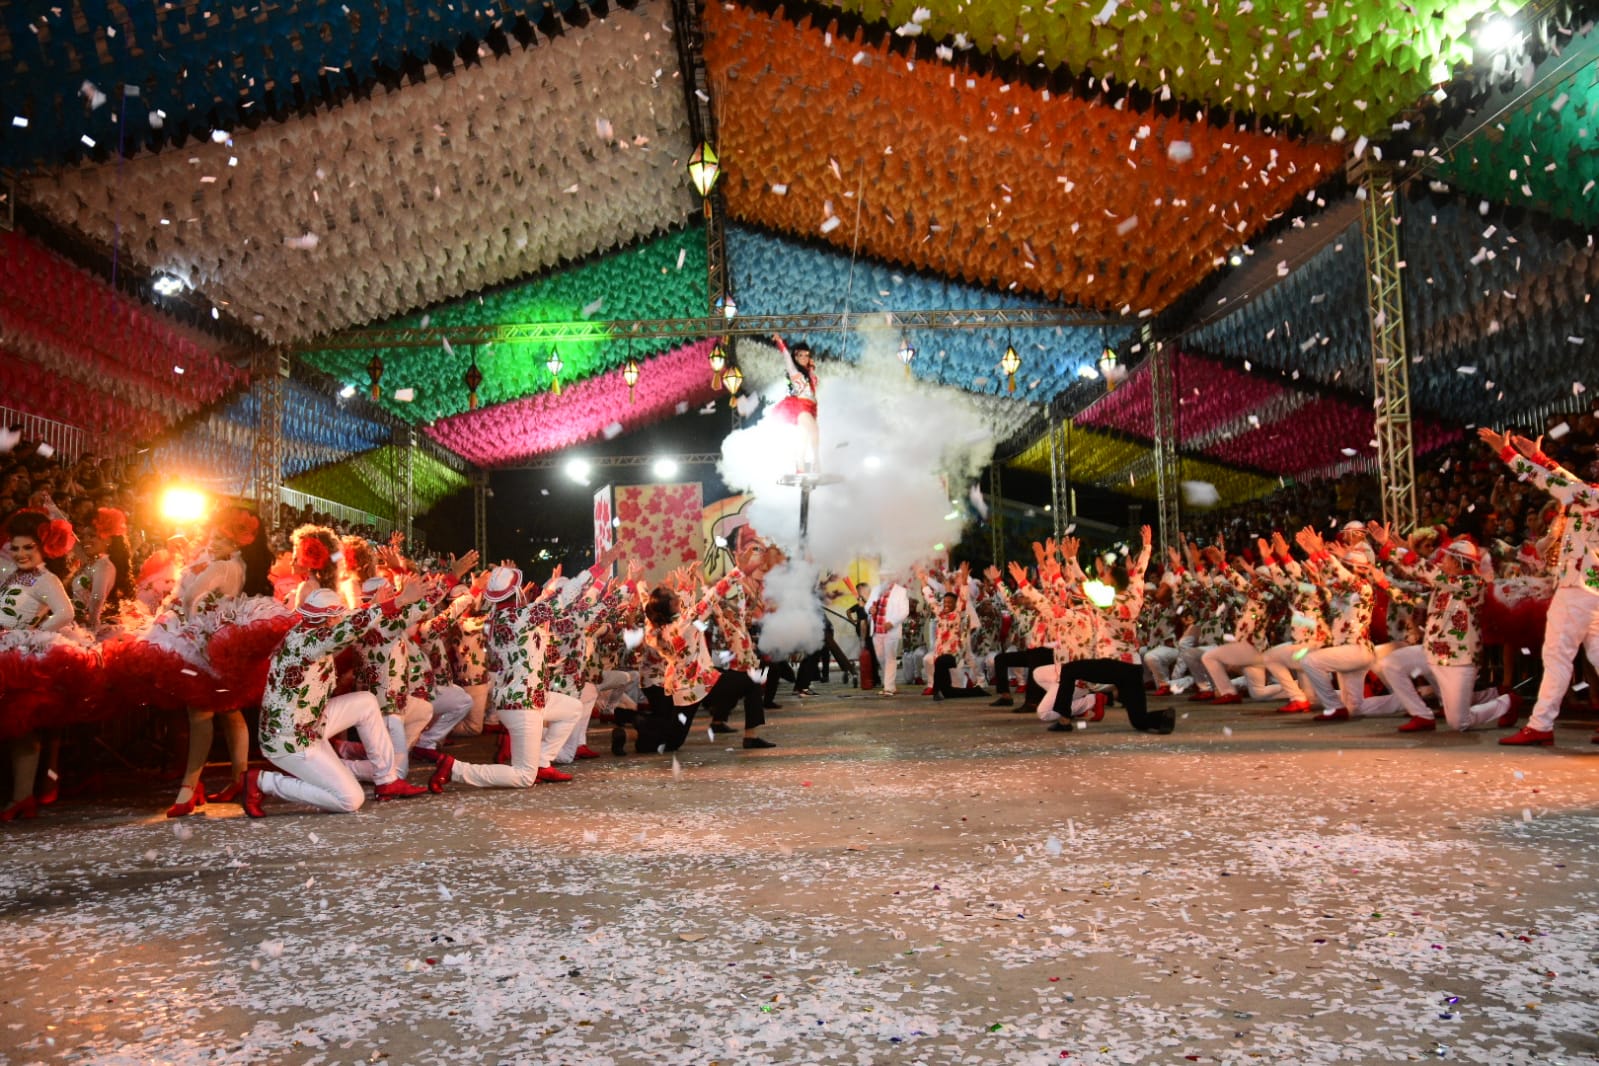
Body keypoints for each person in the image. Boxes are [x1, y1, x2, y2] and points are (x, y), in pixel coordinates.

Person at [243, 583, 435, 816]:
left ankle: (387, 780)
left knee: (365, 702)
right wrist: (397, 602)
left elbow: (347, 623)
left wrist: (376, 605)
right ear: (327, 619)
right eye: (336, 617)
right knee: (350, 800)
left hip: (310, 723)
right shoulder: (309, 641)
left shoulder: (309, 629)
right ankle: (264, 782)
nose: (339, 620)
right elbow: (346, 629)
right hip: (290, 741)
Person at [1482, 427, 1599, 745]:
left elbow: (1551, 482)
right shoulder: (1590, 495)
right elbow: (1567, 482)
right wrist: (1539, 456)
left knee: (1557, 657)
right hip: (1594, 592)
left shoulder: (1589, 496)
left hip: (1577, 589)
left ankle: (1541, 725)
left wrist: (1507, 453)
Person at [0, 510, 98, 821]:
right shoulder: (12, 574)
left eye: (28, 547)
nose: (21, 554)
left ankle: (22, 797)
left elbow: (65, 613)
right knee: (16, 730)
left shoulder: (46, 579)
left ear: (44, 548)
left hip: (18, 654)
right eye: (16, 548)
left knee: (22, 728)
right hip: (7, 648)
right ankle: (21, 796)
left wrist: (31, 633)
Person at [770, 334, 820, 474]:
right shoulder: (794, 370)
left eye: (806, 355)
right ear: (795, 357)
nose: (804, 357)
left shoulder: (809, 372)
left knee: (803, 438)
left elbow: (813, 385)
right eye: (800, 355)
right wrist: (780, 342)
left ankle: (800, 468)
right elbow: (786, 355)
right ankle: (817, 463)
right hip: (801, 406)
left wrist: (810, 368)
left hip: (813, 407)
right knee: (814, 431)